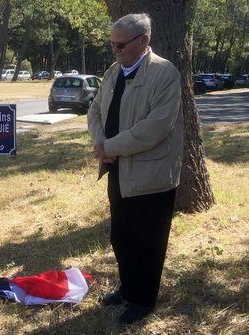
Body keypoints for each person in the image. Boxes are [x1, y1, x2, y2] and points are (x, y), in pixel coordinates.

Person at [87, 13, 183, 324]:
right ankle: (128, 289)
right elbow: (95, 110)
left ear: (143, 41)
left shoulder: (165, 73)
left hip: (152, 177)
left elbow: (154, 128)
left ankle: (144, 300)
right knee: (121, 236)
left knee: (148, 242)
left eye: (120, 45)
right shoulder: (114, 71)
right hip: (117, 170)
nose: (114, 50)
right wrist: (101, 142)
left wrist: (109, 148)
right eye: (111, 44)